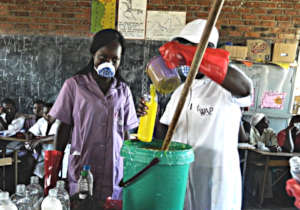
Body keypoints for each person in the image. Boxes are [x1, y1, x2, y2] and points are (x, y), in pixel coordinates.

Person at [138, 19, 252, 210]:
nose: (183, 62)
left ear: (208, 50)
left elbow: (245, 89)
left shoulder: (225, 87)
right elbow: (163, 136)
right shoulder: (180, 91)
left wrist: (195, 57)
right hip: (183, 178)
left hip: (216, 182)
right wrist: (152, 114)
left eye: (188, 52)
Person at [49, 29, 139, 201]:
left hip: (114, 168)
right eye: (103, 57)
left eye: (115, 59)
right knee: (83, 202)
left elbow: (126, 133)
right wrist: (54, 167)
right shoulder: (74, 86)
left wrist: (130, 166)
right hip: (83, 164)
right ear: (93, 54)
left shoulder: (123, 91)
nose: (109, 63)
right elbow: (64, 128)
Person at [26, 103, 60, 179]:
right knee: (36, 176)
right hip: (43, 155)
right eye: (45, 113)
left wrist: (39, 140)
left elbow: (57, 136)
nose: (48, 115)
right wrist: (29, 140)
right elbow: (30, 132)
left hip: (57, 155)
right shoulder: (41, 121)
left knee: (53, 179)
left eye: (51, 113)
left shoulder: (61, 122)